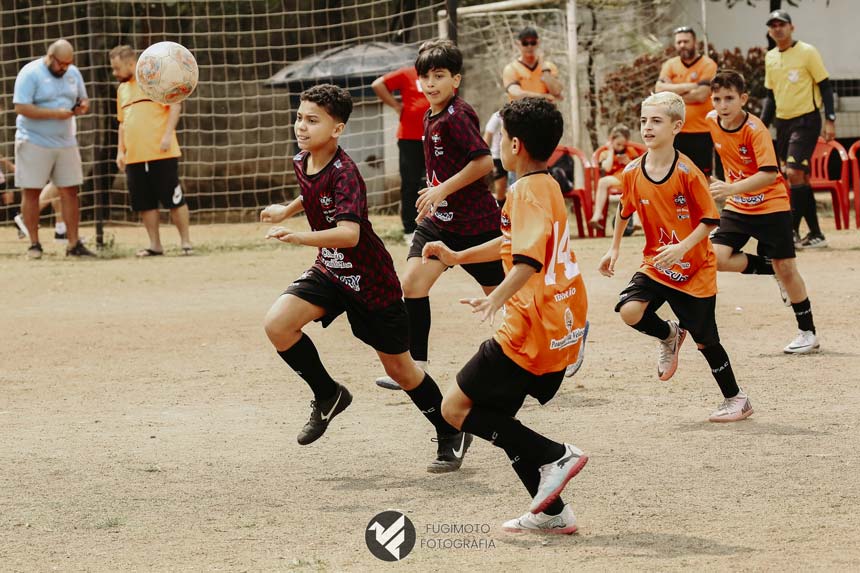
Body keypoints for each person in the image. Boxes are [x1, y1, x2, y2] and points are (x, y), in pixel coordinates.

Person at [260, 84, 472, 473]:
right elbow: (312, 194)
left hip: (370, 281)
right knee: (278, 324)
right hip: (330, 270)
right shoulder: (302, 160)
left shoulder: (346, 173)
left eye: (312, 120)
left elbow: (349, 234)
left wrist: (299, 236)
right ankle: (329, 395)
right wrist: (285, 210)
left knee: (400, 370)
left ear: (337, 129)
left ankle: (451, 429)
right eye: (299, 118)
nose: (301, 126)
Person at [424, 97, 588, 534]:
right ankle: (552, 513)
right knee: (497, 417)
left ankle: (557, 454)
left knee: (453, 409)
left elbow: (528, 261)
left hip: (529, 326)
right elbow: (510, 243)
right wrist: (457, 255)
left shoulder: (524, 191)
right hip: (555, 319)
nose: (496, 145)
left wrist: (494, 299)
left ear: (515, 144)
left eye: (500, 138)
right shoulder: (545, 184)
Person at [598, 91, 753, 423]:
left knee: (706, 341)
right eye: (644, 121)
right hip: (657, 264)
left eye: (656, 121)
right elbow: (624, 211)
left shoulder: (687, 172)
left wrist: (683, 248)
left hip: (694, 268)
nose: (647, 127)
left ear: (676, 126)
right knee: (629, 311)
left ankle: (736, 399)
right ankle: (669, 334)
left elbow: (711, 220)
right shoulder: (632, 172)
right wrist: (614, 248)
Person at [373, 40, 503, 390]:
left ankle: (561, 336)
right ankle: (415, 367)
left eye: (439, 76)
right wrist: (433, 199)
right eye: (425, 77)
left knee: (508, 297)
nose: (431, 83)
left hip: (476, 226)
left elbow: (484, 162)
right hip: (439, 224)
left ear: (455, 80)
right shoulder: (429, 115)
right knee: (412, 284)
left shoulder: (458, 115)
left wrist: (442, 189)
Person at [706, 70, 820, 354]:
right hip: (738, 206)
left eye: (729, 98)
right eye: (717, 99)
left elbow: (769, 174)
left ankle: (808, 333)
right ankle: (772, 268)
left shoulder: (755, 130)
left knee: (787, 269)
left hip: (771, 205)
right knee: (715, 257)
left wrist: (731, 188)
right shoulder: (710, 121)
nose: (723, 105)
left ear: (743, 99)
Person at [13, 39, 95, 259]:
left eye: (68, 64)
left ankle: (73, 244)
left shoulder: (73, 73)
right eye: (61, 64)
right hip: (33, 140)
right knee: (31, 191)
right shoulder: (30, 73)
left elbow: (83, 99)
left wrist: (82, 106)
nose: (65, 68)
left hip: (66, 141)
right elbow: (21, 107)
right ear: (50, 57)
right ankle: (34, 244)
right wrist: (54, 114)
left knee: (70, 191)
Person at [761, 10, 835, 249]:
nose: (778, 28)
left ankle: (790, 230)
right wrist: (761, 125)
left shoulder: (807, 51)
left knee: (793, 173)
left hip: (806, 120)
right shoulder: (770, 57)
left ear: (791, 27)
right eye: (773, 25)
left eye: (782, 24)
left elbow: (825, 86)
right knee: (798, 177)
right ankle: (816, 234)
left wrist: (830, 119)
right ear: (769, 31)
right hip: (782, 123)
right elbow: (770, 95)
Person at [110, 45, 193, 257]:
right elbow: (122, 123)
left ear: (131, 63)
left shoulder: (154, 81)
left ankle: (186, 242)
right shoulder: (122, 90)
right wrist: (120, 151)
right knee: (144, 203)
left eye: (117, 68)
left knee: (174, 199)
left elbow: (175, 106)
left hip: (161, 152)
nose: (114, 73)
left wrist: (167, 135)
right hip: (134, 156)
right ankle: (155, 245)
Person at [371, 65, 430, 243]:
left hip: (437, 136)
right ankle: (410, 229)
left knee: (435, 182)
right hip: (409, 138)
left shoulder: (444, 73)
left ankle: (436, 226)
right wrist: (396, 106)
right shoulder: (407, 73)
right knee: (410, 184)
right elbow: (377, 84)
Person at [655, 26, 717, 176]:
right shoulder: (670, 64)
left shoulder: (708, 64)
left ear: (695, 42)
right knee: (675, 175)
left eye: (686, 41)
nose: (682, 45)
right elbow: (658, 90)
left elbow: (701, 95)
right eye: (679, 42)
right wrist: (692, 86)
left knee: (701, 176)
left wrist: (671, 92)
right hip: (675, 131)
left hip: (701, 132)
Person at [588, 124, 643, 233]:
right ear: (611, 141)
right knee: (602, 182)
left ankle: (637, 221)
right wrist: (611, 152)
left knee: (637, 186)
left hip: (629, 177)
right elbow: (607, 168)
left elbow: (639, 167)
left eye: (623, 145)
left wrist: (628, 162)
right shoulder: (605, 153)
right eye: (618, 144)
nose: (621, 147)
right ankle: (597, 215)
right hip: (616, 179)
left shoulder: (630, 151)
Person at [502, 27, 564, 102]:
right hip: (522, 109)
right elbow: (516, 94)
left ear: (538, 43)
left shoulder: (549, 67)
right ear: (518, 44)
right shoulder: (511, 68)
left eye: (533, 42)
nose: (529, 46)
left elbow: (557, 92)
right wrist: (544, 97)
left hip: (545, 109)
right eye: (525, 43)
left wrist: (545, 71)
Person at [482, 110, 508, 207]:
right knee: (500, 189)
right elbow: (487, 135)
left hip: (514, 156)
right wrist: (484, 156)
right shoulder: (497, 116)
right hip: (497, 157)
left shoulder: (520, 114)